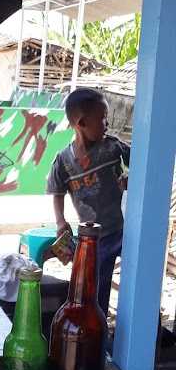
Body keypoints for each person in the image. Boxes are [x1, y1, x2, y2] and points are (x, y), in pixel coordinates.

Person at [46, 87, 130, 315]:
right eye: (102, 118)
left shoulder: (113, 147)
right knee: (97, 287)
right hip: (94, 239)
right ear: (81, 123)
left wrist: (130, 179)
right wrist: (60, 221)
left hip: (124, 231)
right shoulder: (63, 161)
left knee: (138, 276)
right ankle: (100, 328)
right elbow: (56, 191)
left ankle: (151, 328)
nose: (107, 123)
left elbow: (140, 162)